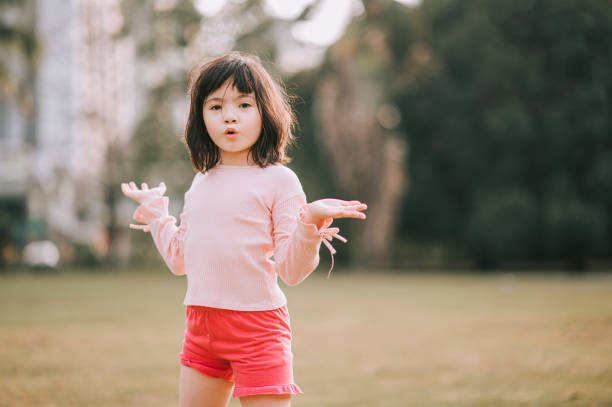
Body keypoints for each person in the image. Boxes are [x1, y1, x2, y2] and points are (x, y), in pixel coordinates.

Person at [121, 52, 367, 407]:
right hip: (201, 327)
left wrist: (310, 223)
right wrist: (158, 216)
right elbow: (180, 260)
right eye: (216, 106)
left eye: (244, 104)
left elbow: (292, 271)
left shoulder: (280, 181)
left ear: (264, 111)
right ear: (200, 117)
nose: (230, 115)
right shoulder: (201, 182)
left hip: (259, 330)